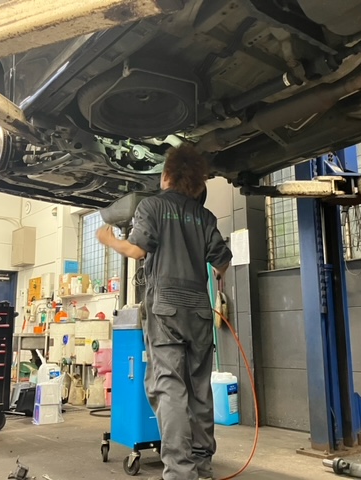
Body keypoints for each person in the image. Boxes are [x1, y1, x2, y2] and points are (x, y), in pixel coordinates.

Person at [97, 145, 232, 480]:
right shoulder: (204, 216)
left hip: (166, 310)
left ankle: (179, 472)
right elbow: (222, 262)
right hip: (199, 312)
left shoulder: (152, 206)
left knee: (169, 388)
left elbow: (136, 250)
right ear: (196, 181)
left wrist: (109, 239)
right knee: (199, 389)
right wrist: (210, 270)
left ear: (167, 175)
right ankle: (202, 465)